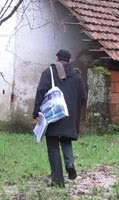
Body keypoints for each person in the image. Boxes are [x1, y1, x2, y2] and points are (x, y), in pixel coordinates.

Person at [32, 49, 87, 187]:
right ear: (69, 59)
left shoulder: (49, 72)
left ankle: (58, 181)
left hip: (53, 115)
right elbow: (83, 96)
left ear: (57, 58)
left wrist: (36, 113)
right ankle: (69, 164)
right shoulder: (77, 75)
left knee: (53, 147)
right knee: (66, 139)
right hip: (70, 116)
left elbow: (40, 92)